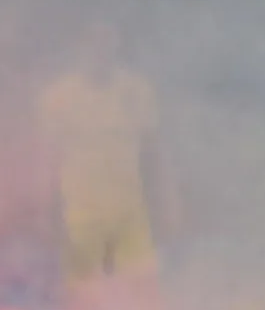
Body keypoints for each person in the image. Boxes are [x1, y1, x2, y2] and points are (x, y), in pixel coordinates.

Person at [35, 22, 173, 292]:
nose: (101, 51)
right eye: (93, 43)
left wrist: (168, 199)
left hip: (131, 213)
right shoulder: (58, 98)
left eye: (108, 43)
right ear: (79, 48)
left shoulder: (136, 91)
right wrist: (45, 210)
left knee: (139, 292)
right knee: (83, 295)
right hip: (82, 216)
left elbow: (154, 151)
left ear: (117, 45)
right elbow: (47, 160)